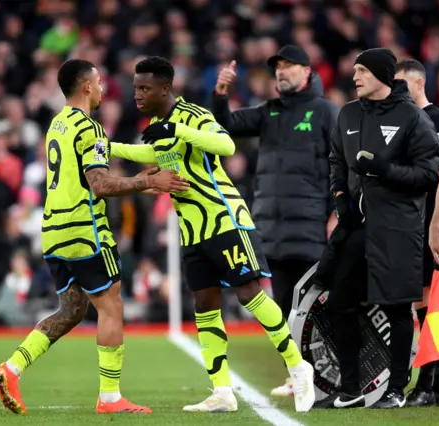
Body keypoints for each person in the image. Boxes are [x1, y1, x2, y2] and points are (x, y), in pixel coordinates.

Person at [109, 56, 316, 413]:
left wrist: (178, 131)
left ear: (166, 89)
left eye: (145, 88)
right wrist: (105, 146)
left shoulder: (193, 115)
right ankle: (222, 391)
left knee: (250, 295)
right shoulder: (159, 124)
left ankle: (299, 367)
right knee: (204, 306)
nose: (138, 95)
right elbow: (149, 152)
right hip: (192, 230)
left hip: (224, 220)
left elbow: (226, 145)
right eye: (135, 88)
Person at [0, 59, 189, 415]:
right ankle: (110, 398)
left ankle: (12, 368)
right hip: (86, 234)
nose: (102, 89)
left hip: (53, 233)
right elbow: (98, 184)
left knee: (72, 311)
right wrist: (147, 181)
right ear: (85, 87)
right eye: (98, 82)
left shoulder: (57, 124)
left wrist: (139, 187)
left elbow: (80, 181)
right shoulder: (90, 128)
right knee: (112, 304)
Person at [314, 48, 439, 409]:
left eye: (362, 71)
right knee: (340, 303)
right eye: (354, 70)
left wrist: (386, 170)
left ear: (383, 76)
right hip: (356, 227)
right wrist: (340, 197)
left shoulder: (413, 118)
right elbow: (337, 159)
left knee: (398, 307)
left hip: (398, 229)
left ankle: (396, 390)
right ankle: (350, 389)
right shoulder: (348, 113)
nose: (355, 77)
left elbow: (428, 175)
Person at [211, 45, 339, 397]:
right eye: (278, 67)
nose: (281, 72)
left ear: (308, 72)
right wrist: (221, 94)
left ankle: (330, 378)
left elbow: (342, 167)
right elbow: (225, 125)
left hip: (313, 227)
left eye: (289, 66)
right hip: (273, 229)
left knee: (316, 307)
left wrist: (335, 213)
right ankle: (296, 375)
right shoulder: (269, 113)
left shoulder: (327, 112)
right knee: (283, 307)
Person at [395, 59, 439, 407]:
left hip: (431, 221)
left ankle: (427, 383)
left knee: (428, 301)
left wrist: (436, 226)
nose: (397, 91)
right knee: (424, 301)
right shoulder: (404, 120)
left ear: (419, 84)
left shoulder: (438, 121)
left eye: (402, 84)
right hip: (409, 221)